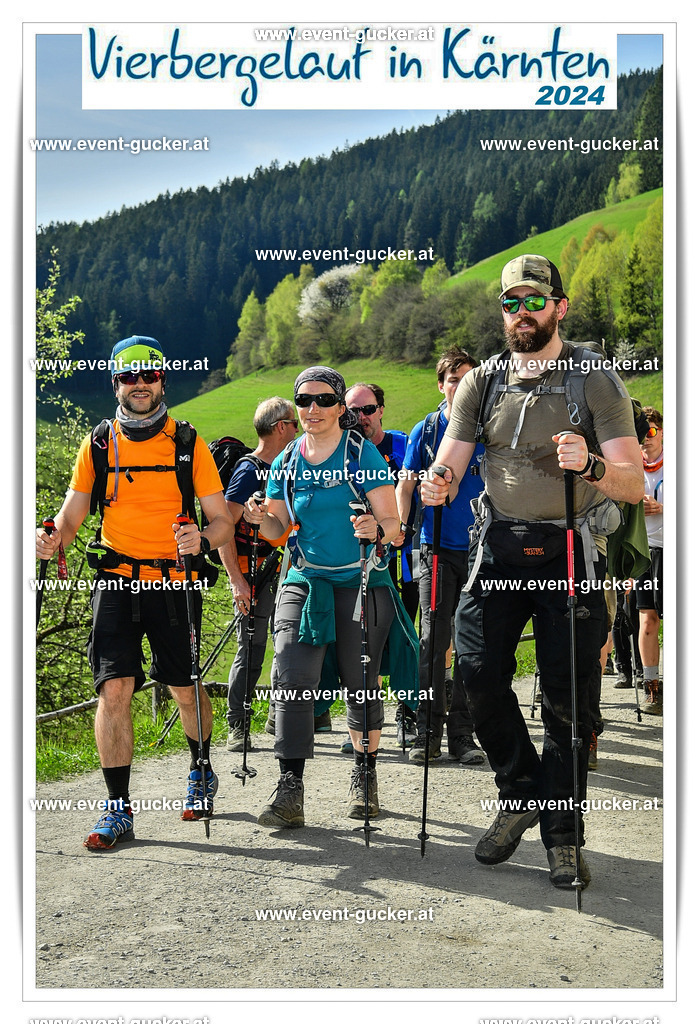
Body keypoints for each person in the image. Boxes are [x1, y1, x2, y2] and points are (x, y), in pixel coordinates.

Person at [423, 255, 644, 890]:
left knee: (568, 701)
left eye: (535, 301)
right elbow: (452, 462)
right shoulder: (482, 382)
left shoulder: (594, 380)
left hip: (570, 547)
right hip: (497, 544)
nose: (522, 313)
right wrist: (435, 484)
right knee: (477, 674)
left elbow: (633, 485)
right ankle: (520, 791)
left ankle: (564, 837)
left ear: (560, 307)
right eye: (511, 302)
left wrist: (594, 466)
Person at [35, 336, 234, 850]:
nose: (140, 385)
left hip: (174, 581)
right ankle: (117, 808)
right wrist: (50, 536)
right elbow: (73, 516)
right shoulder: (98, 444)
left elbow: (221, 524)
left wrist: (202, 539)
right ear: (116, 384)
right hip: (117, 581)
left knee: (184, 688)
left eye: (148, 376)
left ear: (162, 381)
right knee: (114, 689)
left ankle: (200, 768)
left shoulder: (189, 443)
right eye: (129, 377)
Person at [243, 366, 414, 827]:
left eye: (322, 400)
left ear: (341, 407)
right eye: (303, 401)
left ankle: (365, 773)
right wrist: (261, 519)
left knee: (362, 680)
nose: (312, 410)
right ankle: (290, 787)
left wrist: (377, 528)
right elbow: (279, 530)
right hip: (305, 579)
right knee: (291, 675)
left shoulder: (362, 457)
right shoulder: (287, 462)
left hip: (361, 579)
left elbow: (395, 529)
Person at [395, 348, 486, 767]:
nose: (461, 386)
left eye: (469, 378)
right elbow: (407, 485)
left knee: (471, 644)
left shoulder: (489, 428)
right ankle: (426, 731)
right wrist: (398, 529)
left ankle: (463, 735)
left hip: (482, 550)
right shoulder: (427, 430)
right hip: (435, 549)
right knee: (433, 641)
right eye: (454, 379)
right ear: (441, 384)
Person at [218, 397, 298, 752]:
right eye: (294, 423)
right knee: (251, 648)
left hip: (287, 571)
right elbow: (222, 529)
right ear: (280, 426)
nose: (299, 428)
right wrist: (237, 581)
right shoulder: (249, 470)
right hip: (255, 574)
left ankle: (276, 717)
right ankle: (238, 723)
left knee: (288, 648)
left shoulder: (291, 465)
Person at [345, 381, 420, 748]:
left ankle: (410, 714)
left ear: (381, 410)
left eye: (368, 409)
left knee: (409, 640)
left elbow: (417, 487)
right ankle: (361, 722)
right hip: (364, 565)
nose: (361, 418)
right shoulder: (344, 452)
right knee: (364, 644)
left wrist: (404, 525)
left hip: (406, 561)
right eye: (353, 411)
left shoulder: (402, 445)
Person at [637, 407, 664, 715]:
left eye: (652, 431)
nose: (647, 439)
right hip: (645, 551)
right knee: (647, 620)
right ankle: (652, 688)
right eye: (641, 433)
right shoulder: (632, 467)